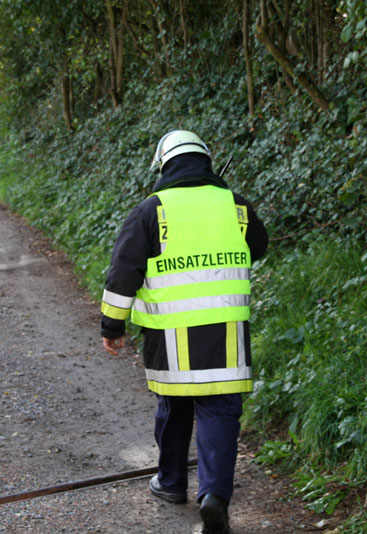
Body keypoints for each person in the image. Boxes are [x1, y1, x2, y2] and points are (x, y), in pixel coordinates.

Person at [100, 130, 268, 534]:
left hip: (170, 341)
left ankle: (172, 483)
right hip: (226, 337)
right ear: (205, 162)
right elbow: (258, 247)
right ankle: (214, 496)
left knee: (174, 407)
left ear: (164, 165)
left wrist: (112, 325)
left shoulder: (150, 211)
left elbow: (123, 272)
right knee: (221, 411)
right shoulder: (237, 207)